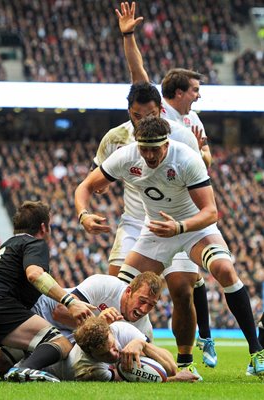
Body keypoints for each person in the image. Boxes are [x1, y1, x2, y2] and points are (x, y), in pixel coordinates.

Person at [75, 116, 264, 378]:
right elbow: (86, 185)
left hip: (193, 227)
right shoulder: (127, 156)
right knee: (123, 293)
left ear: (167, 143)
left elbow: (211, 212)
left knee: (222, 270)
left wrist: (180, 227)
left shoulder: (185, 158)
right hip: (156, 231)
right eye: (145, 149)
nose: (150, 155)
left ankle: (256, 352)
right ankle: (114, 354)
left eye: (155, 148)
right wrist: (83, 214)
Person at [115, 1, 216, 367]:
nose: (198, 96)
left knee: (182, 289)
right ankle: (117, 345)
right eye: (194, 90)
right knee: (122, 285)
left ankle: (189, 356)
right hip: (144, 220)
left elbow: (208, 163)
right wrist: (128, 37)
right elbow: (138, 73)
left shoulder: (195, 124)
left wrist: (205, 158)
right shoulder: (157, 112)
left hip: (182, 216)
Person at [91, 83, 216, 369]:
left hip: (177, 220)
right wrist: (86, 209)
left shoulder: (181, 136)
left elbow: (201, 176)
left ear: (159, 110)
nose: (143, 122)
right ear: (129, 112)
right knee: (119, 290)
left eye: (148, 114)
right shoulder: (116, 139)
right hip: (136, 222)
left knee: (182, 290)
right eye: (136, 115)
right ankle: (120, 353)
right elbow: (94, 179)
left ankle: (185, 360)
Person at [0, 200, 95, 383]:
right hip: (2, 305)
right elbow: (35, 274)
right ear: (43, 227)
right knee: (60, 342)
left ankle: (7, 366)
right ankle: (24, 371)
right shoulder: (35, 243)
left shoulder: (9, 245)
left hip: (3, 307)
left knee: (15, 352)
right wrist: (70, 302)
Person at [0, 271, 163, 378]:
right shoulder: (105, 286)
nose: (144, 309)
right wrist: (98, 323)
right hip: (42, 314)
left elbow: (148, 368)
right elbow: (60, 312)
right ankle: (23, 369)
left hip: (68, 339)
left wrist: (141, 345)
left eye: (151, 305)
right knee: (3, 362)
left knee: (2, 365)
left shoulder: (143, 327)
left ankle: (22, 369)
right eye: (142, 301)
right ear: (128, 291)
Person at [36, 317, 199, 382]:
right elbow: (132, 380)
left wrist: (143, 345)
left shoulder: (120, 329)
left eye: (113, 346)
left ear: (110, 333)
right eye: (105, 354)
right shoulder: (88, 367)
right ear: (91, 354)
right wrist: (175, 380)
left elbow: (171, 367)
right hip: (45, 371)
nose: (114, 354)